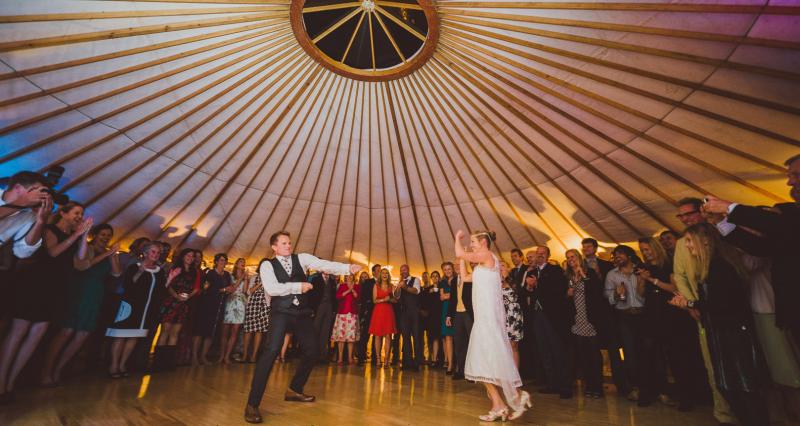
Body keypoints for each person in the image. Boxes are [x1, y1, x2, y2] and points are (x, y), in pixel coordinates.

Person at [244, 231, 361, 424]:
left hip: (301, 313)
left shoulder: (302, 258)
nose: (288, 246)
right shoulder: (267, 265)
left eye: (289, 243)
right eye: (284, 243)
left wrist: (348, 267)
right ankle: (252, 404)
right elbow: (272, 289)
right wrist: (298, 287)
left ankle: (294, 389)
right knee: (271, 351)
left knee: (313, 350)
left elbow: (324, 265)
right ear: (274, 247)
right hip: (281, 312)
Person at [670, 223, 769, 426]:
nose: (686, 246)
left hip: (732, 333)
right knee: (731, 386)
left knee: (741, 386)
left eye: (689, 241)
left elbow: (723, 304)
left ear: (705, 240)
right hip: (723, 331)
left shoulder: (720, 267)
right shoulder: (711, 267)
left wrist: (688, 303)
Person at [0, 201, 88, 402]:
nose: (79, 216)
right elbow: (53, 252)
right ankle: (0, 381)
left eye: (81, 213)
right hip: (34, 286)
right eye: (76, 212)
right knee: (18, 332)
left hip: (55, 291)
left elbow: (81, 262)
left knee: (36, 335)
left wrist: (83, 236)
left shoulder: (74, 237)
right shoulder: (48, 229)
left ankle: (11, 382)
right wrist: (76, 235)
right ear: (63, 214)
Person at [672, 197, 737, 424]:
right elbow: (679, 275)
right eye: (680, 216)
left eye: (687, 214)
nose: (684, 219)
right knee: (713, 362)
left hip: (731, 308)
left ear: (701, 211)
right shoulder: (682, 244)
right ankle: (724, 413)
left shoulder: (721, 233)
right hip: (702, 309)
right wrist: (691, 304)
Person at [455, 230, 531, 421]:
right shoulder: (481, 266)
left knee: (489, 361)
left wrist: (457, 239)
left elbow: (459, 254)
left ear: (483, 242)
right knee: (480, 364)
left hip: (489, 319)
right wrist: (464, 259)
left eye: (473, 242)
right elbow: (465, 278)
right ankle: (498, 405)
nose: (471, 245)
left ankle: (518, 395)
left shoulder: (488, 256)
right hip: (483, 319)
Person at [40, 223, 122, 386]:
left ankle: (58, 370)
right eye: (103, 234)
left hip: (95, 295)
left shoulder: (109, 253)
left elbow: (117, 273)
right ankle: (45, 372)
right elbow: (83, 265)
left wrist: (113, 255)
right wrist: (105, 255)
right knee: (66, 332)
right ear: (95, 235)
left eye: (108, 235)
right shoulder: (87, 247)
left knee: (82, 335)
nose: (105, 237)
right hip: (79, 291)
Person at [106, 241, 167, 377]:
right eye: (153, 251)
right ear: (145, 253)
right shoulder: (135, 267)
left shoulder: (159, 271)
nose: (156, 254)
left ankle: (122, 364)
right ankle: (114, 365)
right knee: (121, 336)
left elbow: (160, 290)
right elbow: (128, 285)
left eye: (158, 252)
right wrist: (140, 272)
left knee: (133, 336)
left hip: (145, 309)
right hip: (129, 306)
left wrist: (170, 279)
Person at [525, 246, 572, 399]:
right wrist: (529, 287)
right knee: (544, 350)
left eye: (542, 254)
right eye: (537, 254)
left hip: (552, 316)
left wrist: (537, 283)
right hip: (537, 315)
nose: (539, 256)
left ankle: (565, 386)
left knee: (557, 350)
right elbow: (527, 294)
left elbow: (558, 291)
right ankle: (552, 383)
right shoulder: (531, 272)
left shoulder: (555, 270)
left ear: (548, 255)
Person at [564, 249, 608, 399]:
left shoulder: (589, 273)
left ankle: (598, 387)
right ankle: (589, 386)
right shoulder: (567, 276)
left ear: (579, 257)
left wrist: (584, 276)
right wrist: (567, 295)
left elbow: (597, 292)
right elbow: (564, 298)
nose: (571, 260)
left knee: (594, 355)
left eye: (573, 256)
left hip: (590, 318)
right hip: (577, 320)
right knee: (583, 356)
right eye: (568, 258)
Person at [604, 245, 645, 402]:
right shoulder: (611, 275)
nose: (617, 257)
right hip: (625, 317)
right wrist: (616, 293)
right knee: (630, 353)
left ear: (629, 255)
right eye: (615, 255)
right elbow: (608, 298)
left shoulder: (640, 270)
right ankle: (635, 387)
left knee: (649, 351)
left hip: (644, 316)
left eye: (620, 254)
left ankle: (654, 387)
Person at [154, 248, 200, 371]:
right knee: (165, 331)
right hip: (171, 302)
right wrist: (176, 296)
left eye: (192, 256)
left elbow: (196, 288)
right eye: (188, 255)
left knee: (175, 333)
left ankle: (168, 363)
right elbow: (167, 285)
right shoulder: (175, 268)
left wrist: (187, 297)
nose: (190, 257)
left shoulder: (195, 272)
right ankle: (158, 363)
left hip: (184, 304)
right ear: (183, 256)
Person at [446, 258, 473, 381]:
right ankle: (461, 370)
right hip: (457, 314)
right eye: (455, 265)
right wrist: (449, 316)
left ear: (465, 265)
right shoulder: (453, 281)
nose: (456, 266)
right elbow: (452, 300)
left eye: (459, 264)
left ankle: (472, 373)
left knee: (472, 343)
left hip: (469, 314)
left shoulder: (471, 278)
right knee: (459, 343)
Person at [395, 264, 423, 371]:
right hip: (404, 313)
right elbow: (397, 296)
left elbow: (416, 291)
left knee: (416, 337)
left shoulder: (416, 279)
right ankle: (407, 362)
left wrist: (405, 287)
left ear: (408, 270)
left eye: (405, 269)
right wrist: (399, 287)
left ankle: (417, 363)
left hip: (414, 312)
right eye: (401, 270)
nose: (403, 271)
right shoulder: (400, 282)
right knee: (405, 337)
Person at [368, 268, 397, 368]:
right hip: (378, 312)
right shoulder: (376, 285)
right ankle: (378, 359)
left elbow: (395, 300)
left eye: (386, 273)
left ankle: (387, 360)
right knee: (377, 336)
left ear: (388, 275)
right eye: (383, 273)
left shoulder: (392, 286)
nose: (385, 275)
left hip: (388, 312)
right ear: (380, 275)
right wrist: (384, 299)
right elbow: (374, 300)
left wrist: (391, 299)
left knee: (388, 336)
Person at [221, 258, 248, 364]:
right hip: (230, 302)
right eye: (241, 262)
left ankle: (227, 356)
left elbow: (245, 291)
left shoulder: (245, 277)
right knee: (224, 331)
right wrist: (242, 277)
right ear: (236, 264)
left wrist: (246, 279)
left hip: (240, 304)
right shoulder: (230, 276)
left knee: (235, 331)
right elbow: (233, 288)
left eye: (244, 263)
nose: (243, 264)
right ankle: (221, 355)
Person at [331, 274, 360, 365]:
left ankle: (350, 358)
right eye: (347, 275)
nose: (349, 277)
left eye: (351, 275)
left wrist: (353, 290)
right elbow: (338, 297)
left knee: (351, 338)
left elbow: (358, 298)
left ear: (353, 276)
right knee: (341, 337)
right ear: (345, 276)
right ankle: (340, 358)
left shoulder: (357, 286)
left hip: (352, 314)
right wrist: (348, 290)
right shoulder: (342, 285)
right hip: (342, 314)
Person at [310, 271, 338, 363]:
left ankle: (322, 356)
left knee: (325, 332)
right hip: (318, 307)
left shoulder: (332, 280)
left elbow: (334, 296)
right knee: (315, 330)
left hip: (329, 307)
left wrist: (334, 309)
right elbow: (312, 295)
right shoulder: (315, 279)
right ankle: (312, 355)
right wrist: (312, 309)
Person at [242, 272, 269, 363]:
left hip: (264, 306)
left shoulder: (271, 277)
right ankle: (245, 355)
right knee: (248, 330)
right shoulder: (254, 277)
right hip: (252, 304)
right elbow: (248, 292)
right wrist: (261, 283)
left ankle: (254, 356)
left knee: (259, 331)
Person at [356, 265, 379, 365]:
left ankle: (375, 357)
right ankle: (361, 357)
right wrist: (364, 311)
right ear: (373, 272)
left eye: (380, 270)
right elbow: (363, 297)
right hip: (369, 311)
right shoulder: (368, 282)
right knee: (365, 334)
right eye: (377, 270)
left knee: (377, 335)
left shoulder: (383, 283)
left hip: (379, 311)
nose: (379, 272)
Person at [420, 270, 442, 367]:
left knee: (442, 338)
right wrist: (429, 292)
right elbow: (422, 301)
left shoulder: (442, 287)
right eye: (433, 276)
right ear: (431, 278)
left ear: (439, 278)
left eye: (436, 276)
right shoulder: (428, 289)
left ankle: (441, 359)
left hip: (441, 315)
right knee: (433, 337)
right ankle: (433, 358)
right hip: (432, 317)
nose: (435, 278)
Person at [439, 263, 456, 374]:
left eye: (449, 269)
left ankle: (460, 364)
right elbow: (441, 297)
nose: (447, 271)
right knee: (448, 337)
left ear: (452, 269)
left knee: (458, 338)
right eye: (445, 270)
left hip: (456, 309)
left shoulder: (458, 278)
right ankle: (450, 364)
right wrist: (453, 294)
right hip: (446, 310)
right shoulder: (442, 282)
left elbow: (448, 296)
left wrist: (448, 295)